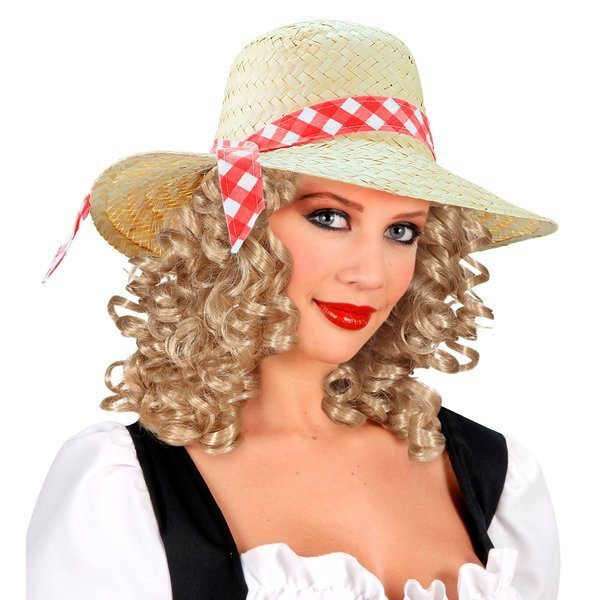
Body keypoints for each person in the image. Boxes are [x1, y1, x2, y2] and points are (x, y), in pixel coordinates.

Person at [27, 19, 560, 600]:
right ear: (238, 228)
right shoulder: (123, 489)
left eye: (402, 231)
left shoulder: (494, 476)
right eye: (330, 217)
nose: (371, 273)